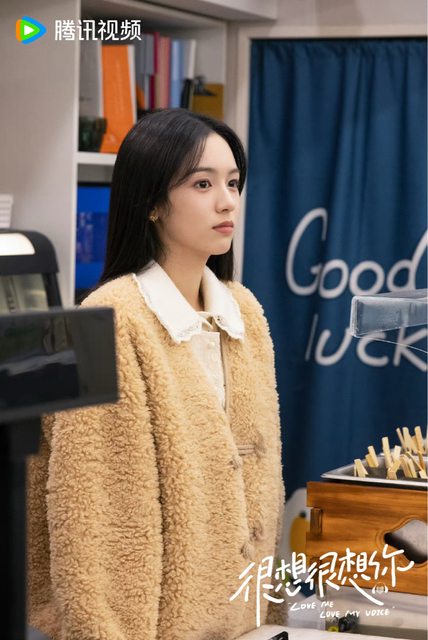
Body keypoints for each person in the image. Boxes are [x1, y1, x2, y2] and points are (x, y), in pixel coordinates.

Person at [27, 109, 285, 640]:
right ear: (152, 202)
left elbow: (259, 490)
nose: (227, 201)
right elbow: (97, 521)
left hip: (244, 625)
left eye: (233, 182)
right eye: (202, 184)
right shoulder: (109, 321)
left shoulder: (243, 311)